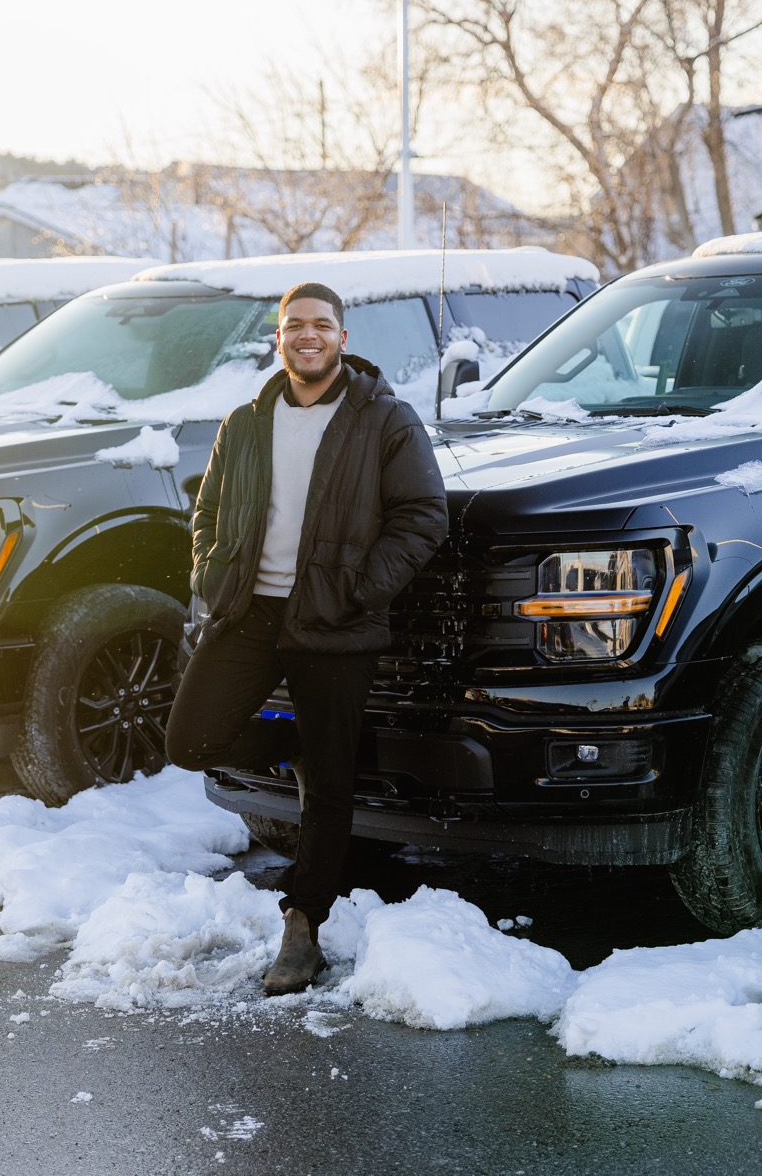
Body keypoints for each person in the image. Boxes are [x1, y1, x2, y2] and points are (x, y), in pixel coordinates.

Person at [165, 281, 449, 995]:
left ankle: (303, 928)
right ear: (279, 338)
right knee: (189, 740)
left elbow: (423, 515)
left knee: (329, 788)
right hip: (250, 613)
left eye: (322, 325)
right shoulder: (245, 421)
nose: (308, 336)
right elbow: (207, 509)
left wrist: (356, 590)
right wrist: (210, 571)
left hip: (334, 622)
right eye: (295, 326)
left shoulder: (385, 420)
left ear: (344, 339)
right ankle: (289, 746)